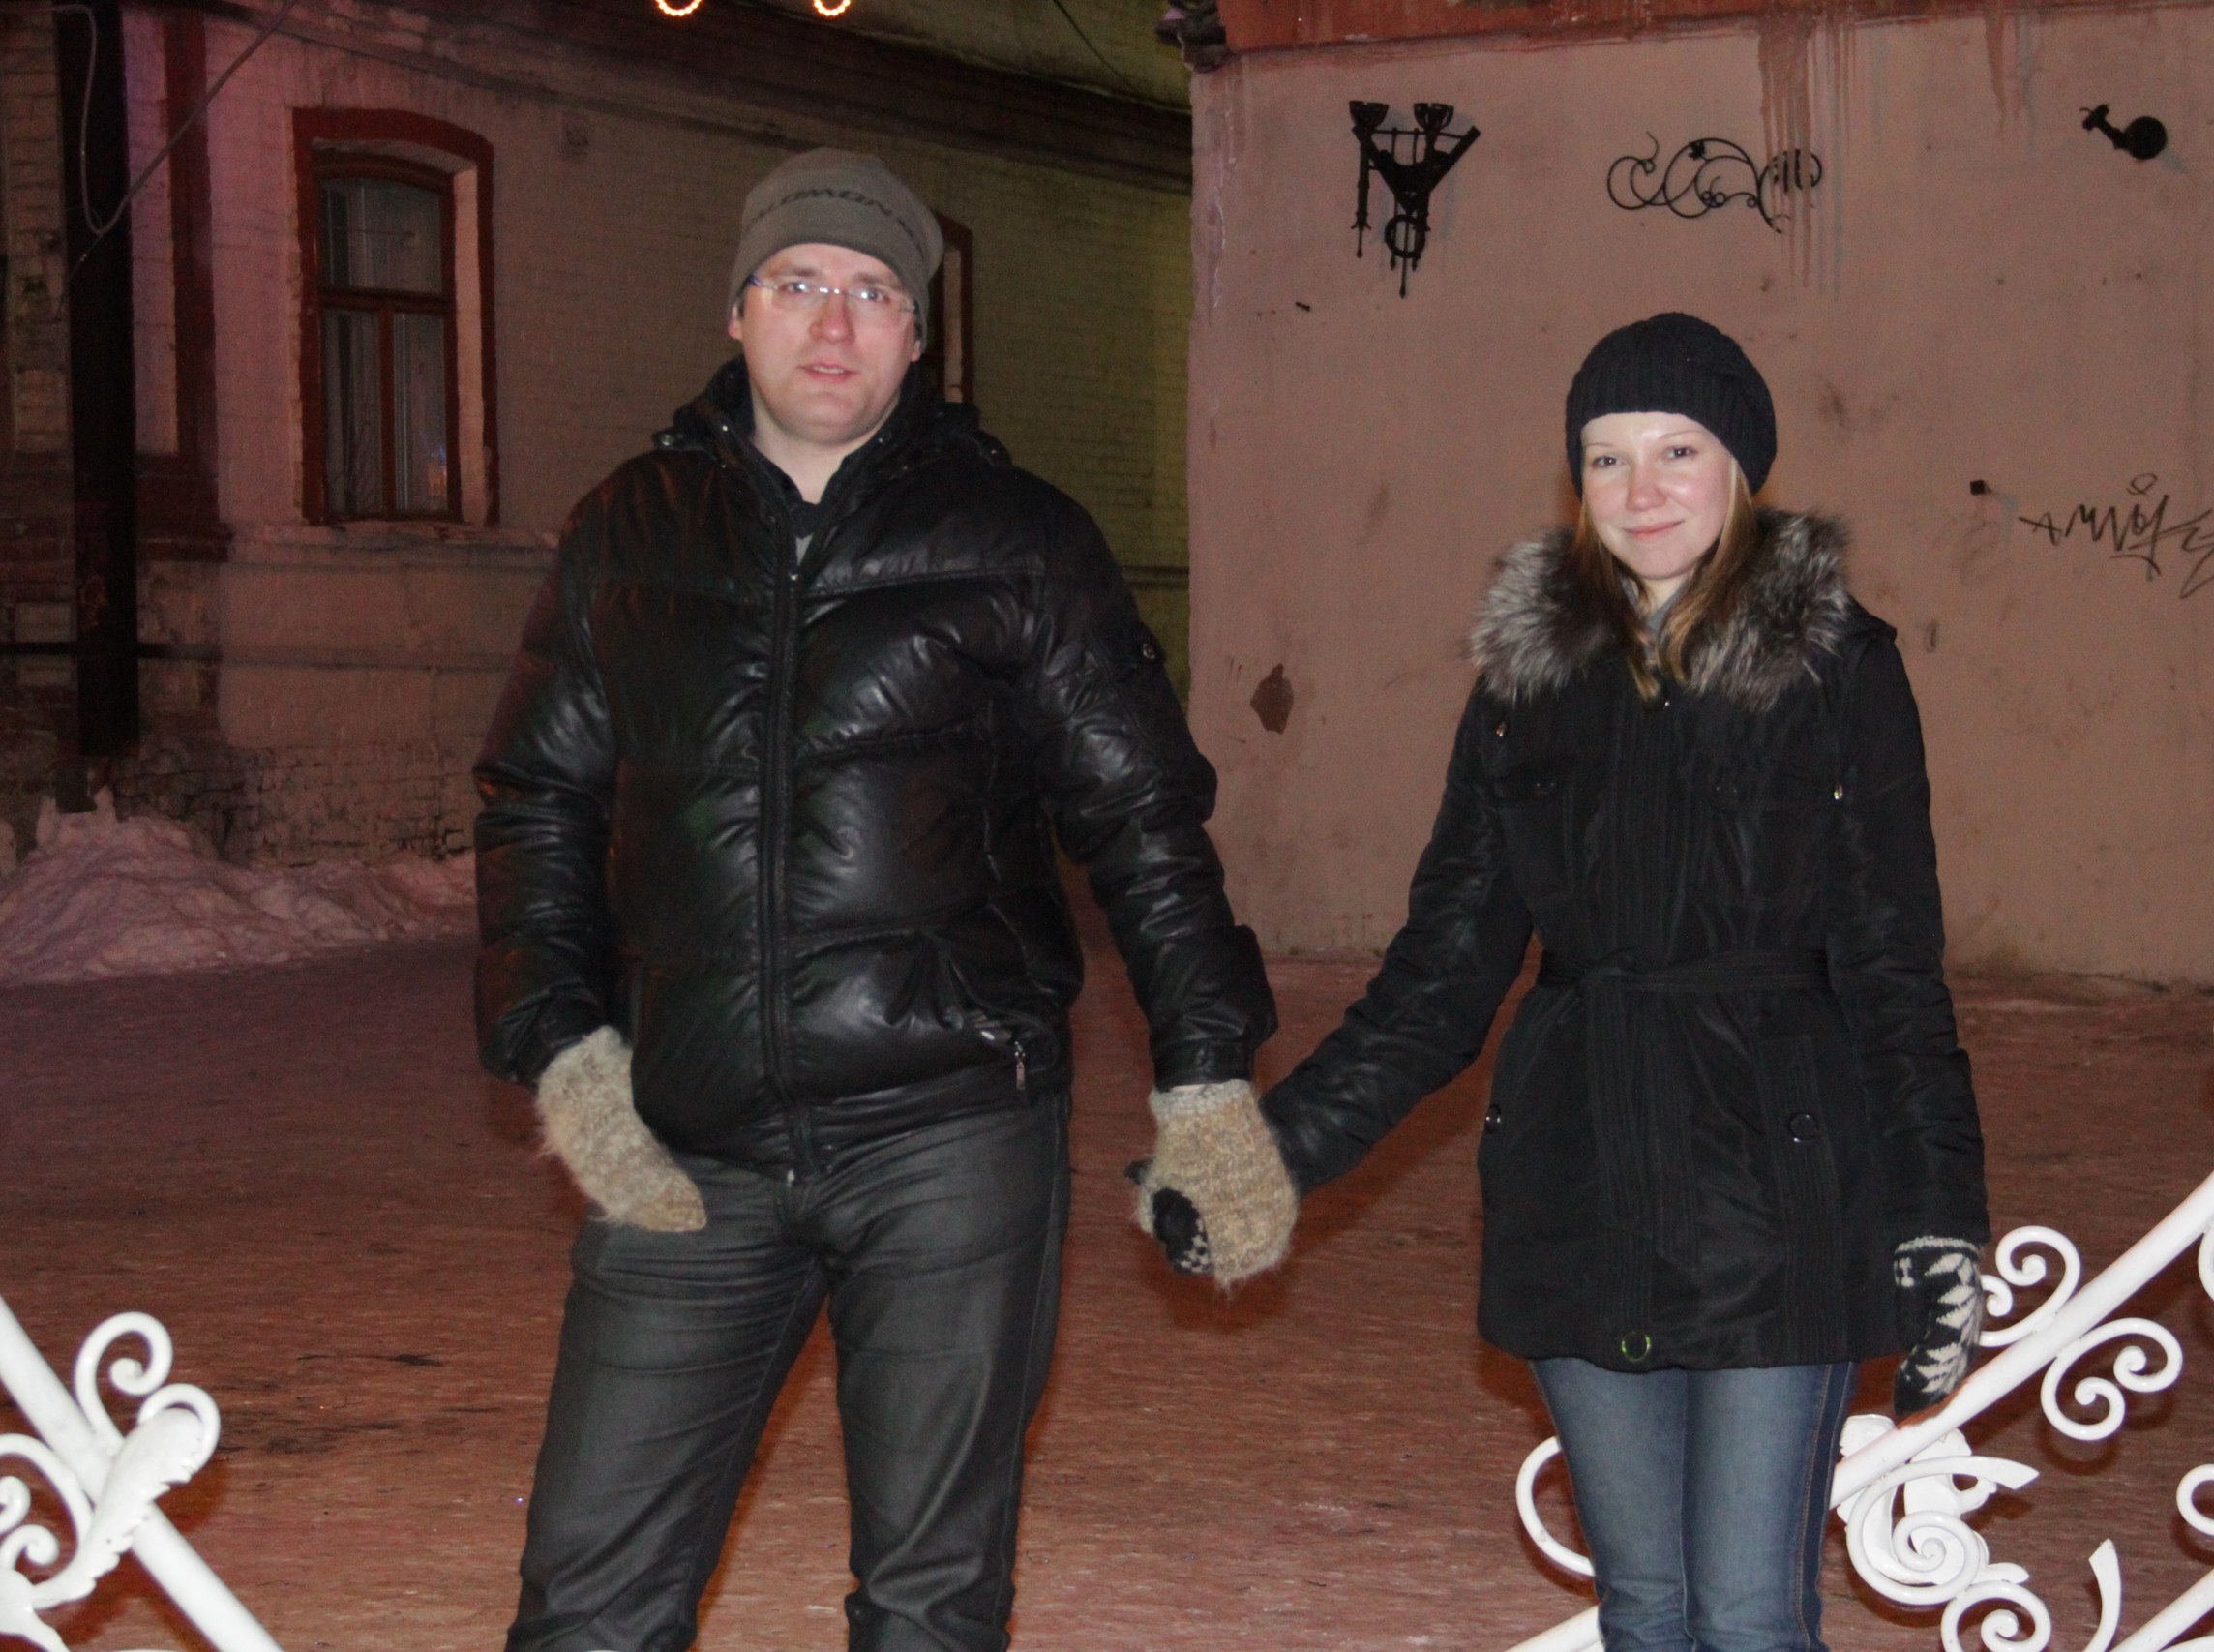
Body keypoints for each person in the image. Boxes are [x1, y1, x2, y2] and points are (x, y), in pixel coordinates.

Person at [473, 147, 1293, 1652]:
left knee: (928, 1603)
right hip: (686, 1144)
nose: (833, 322)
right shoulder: (627, 534)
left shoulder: (1018, 540)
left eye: (872, 293)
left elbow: (1143, 820)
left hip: (946, 1137)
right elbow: (537, 802)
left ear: (919, 336)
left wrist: (1207, 1077)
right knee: (588, 1601)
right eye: (798, 283)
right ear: (738, 311)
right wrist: (560, 1043)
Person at [1136, 313, 1989, 1652]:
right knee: (1643, 1610)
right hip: (1579, 1177)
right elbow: (1441, 974)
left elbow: (1893, 969)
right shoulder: (1525, 685)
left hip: (1778, 1187)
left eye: (1676, 450)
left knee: (1749, 1615)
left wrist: (1940, 1214)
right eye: (1606, 458)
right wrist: (1271, 1158)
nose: (1641, 490)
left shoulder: (1836, 667)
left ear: (1741, 467)